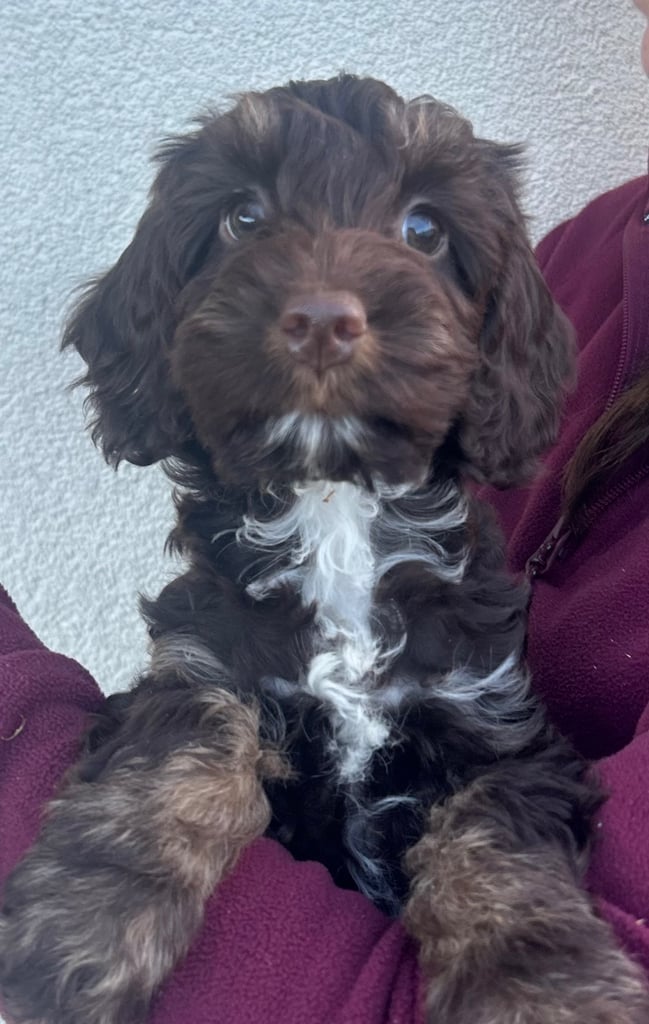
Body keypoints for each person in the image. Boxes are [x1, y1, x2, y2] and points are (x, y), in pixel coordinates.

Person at [2, 11, 649, 1022]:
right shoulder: (597, 250)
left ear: (495, 343)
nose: (325, 295)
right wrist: (153, 820)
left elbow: (518, 777)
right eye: (245, 220)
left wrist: (510, 926)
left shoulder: (472, 640)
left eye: (423, 232)